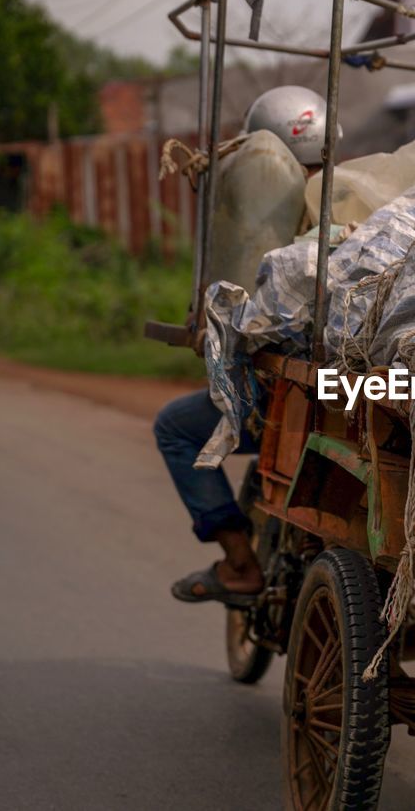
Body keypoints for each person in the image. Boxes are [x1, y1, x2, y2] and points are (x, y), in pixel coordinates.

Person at [159, 86, 335, 607]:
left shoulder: (271, 203)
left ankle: (239, 565)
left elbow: (246, 314)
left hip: (290, 390)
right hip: (359, 390)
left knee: (173, 428)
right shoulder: (355, 195)